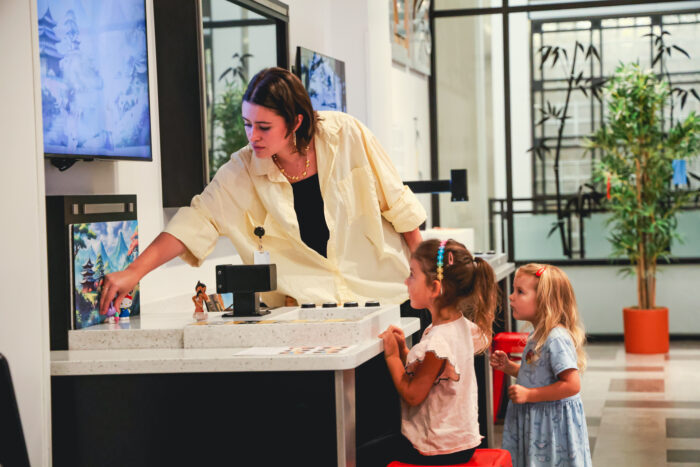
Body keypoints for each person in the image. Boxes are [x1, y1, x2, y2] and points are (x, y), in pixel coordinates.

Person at [99, 67, 425, 315]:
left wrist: (431, 274)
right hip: (312, 315)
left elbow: (398, 204)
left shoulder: (346, 135)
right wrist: (133, 272)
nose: (253, 136)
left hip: (385, 299)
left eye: (264, 127)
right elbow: (196, 220)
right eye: (247, 124)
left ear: (296, 122)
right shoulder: (241, 170)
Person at [359, 238, 498, 466]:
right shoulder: (460, 327)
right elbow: (432, 375)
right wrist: (405, 351)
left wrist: (392, 357)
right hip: (460, 443)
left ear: (434, 288)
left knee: (361, 454)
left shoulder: (438, 341)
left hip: (439, 449)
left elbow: (413, 395)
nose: (406, 281)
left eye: (412, 274)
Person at [490, 264, 592, 467]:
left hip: (550, 424)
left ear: (545, 301)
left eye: (520, 292)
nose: (511, 297)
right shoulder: (538, 335)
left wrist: (529, 395)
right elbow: (539, 375)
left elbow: (572, 385)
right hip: (539, 419)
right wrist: (510, 367)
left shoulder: (556, 338)